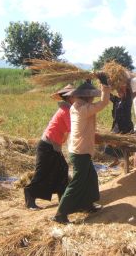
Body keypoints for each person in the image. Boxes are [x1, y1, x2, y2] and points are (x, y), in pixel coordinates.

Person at [52, 80, 110, 223]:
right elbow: (103, 103)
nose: (92, 99)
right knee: (77, 182)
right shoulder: (82, 109)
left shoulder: (77, 106)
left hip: (80, 150)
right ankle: (60, 213)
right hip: (80, 152)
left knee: (90, 177)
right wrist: (105, 87)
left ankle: (87, 205)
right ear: (85, 97)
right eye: (91, 96)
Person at [24, 84, 75, 210]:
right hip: (47, 145)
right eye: (75, 95)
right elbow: (72, 129)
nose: (77, 97)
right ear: (69, 97)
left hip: (53, 145)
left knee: (62, 168)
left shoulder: (68, 109)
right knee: (42, 172)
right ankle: (29, 194)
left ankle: (63, 196)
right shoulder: (66, 111)